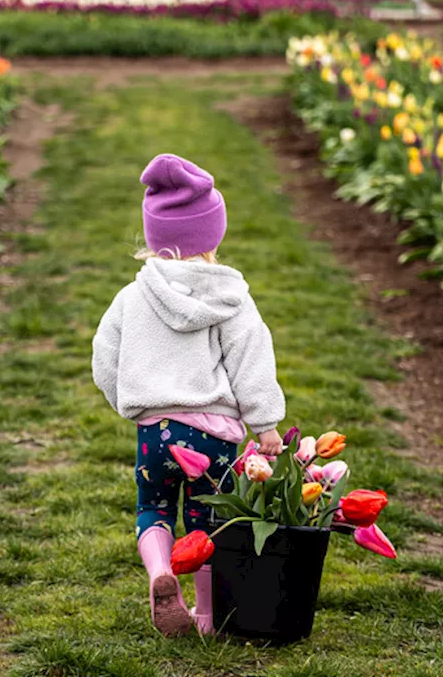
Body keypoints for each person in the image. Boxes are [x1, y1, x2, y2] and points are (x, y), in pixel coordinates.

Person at [92, 153, 286, 637]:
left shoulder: (132, 296)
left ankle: (160, 572)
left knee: (152, 507)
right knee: (208, 522)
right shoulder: (230, 298)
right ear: (212, 234)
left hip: (154, 434)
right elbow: (251, 360)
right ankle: (205, 615)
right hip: (211, 438)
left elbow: (104, 355)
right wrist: (265, 424)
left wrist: (131, 400)